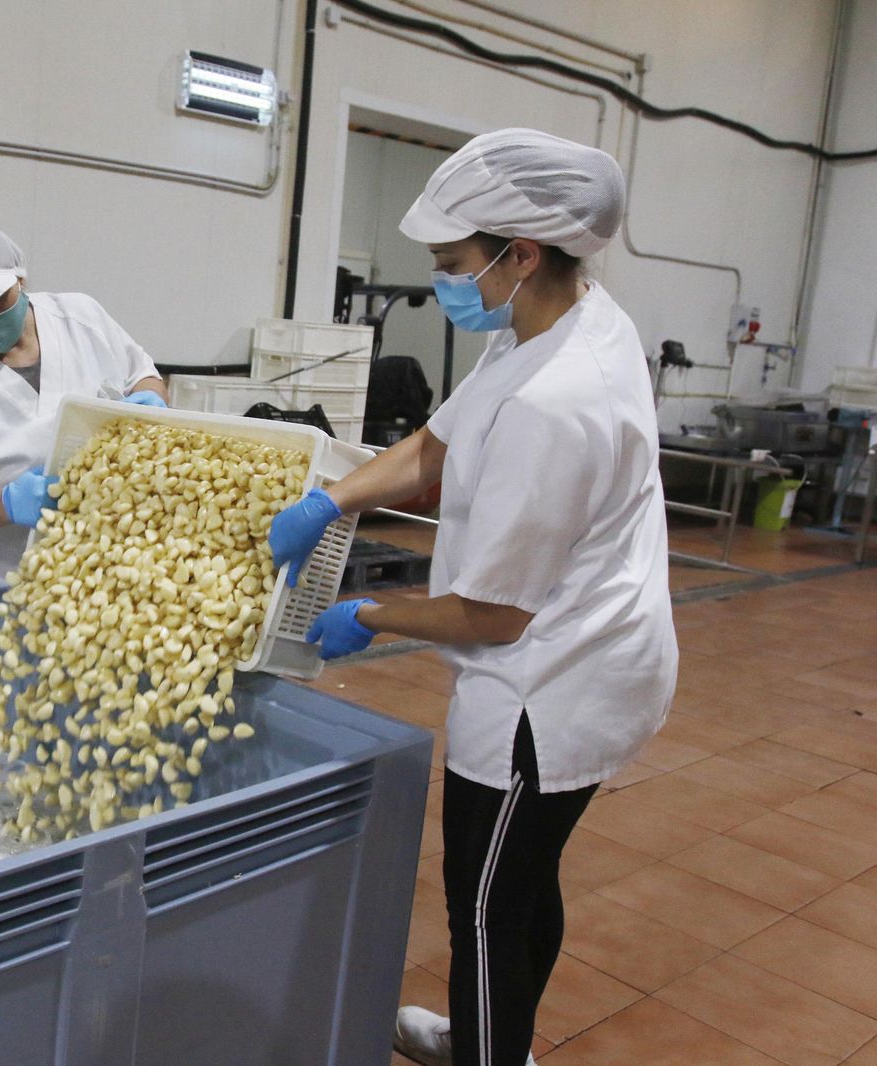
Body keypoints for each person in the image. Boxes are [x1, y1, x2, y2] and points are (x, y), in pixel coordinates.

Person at [269, 129, 677, 1066]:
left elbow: (495, 615)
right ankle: (492, 1037)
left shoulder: (560, 397)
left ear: (519, 253)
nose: (447, 283)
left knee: (486, 906)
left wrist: (364, 617)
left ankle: (489, 1052)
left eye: (455, 265)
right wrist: (335, 497)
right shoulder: (559, 317)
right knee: (525, 881)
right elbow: (439, 444)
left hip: (551, 686)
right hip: (592, 648)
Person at [0, 223, 168, 593]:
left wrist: (151, 402)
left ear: (21, 279)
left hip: (99, 575)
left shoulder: (80, 318)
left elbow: (143, 375)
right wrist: (6, 503)